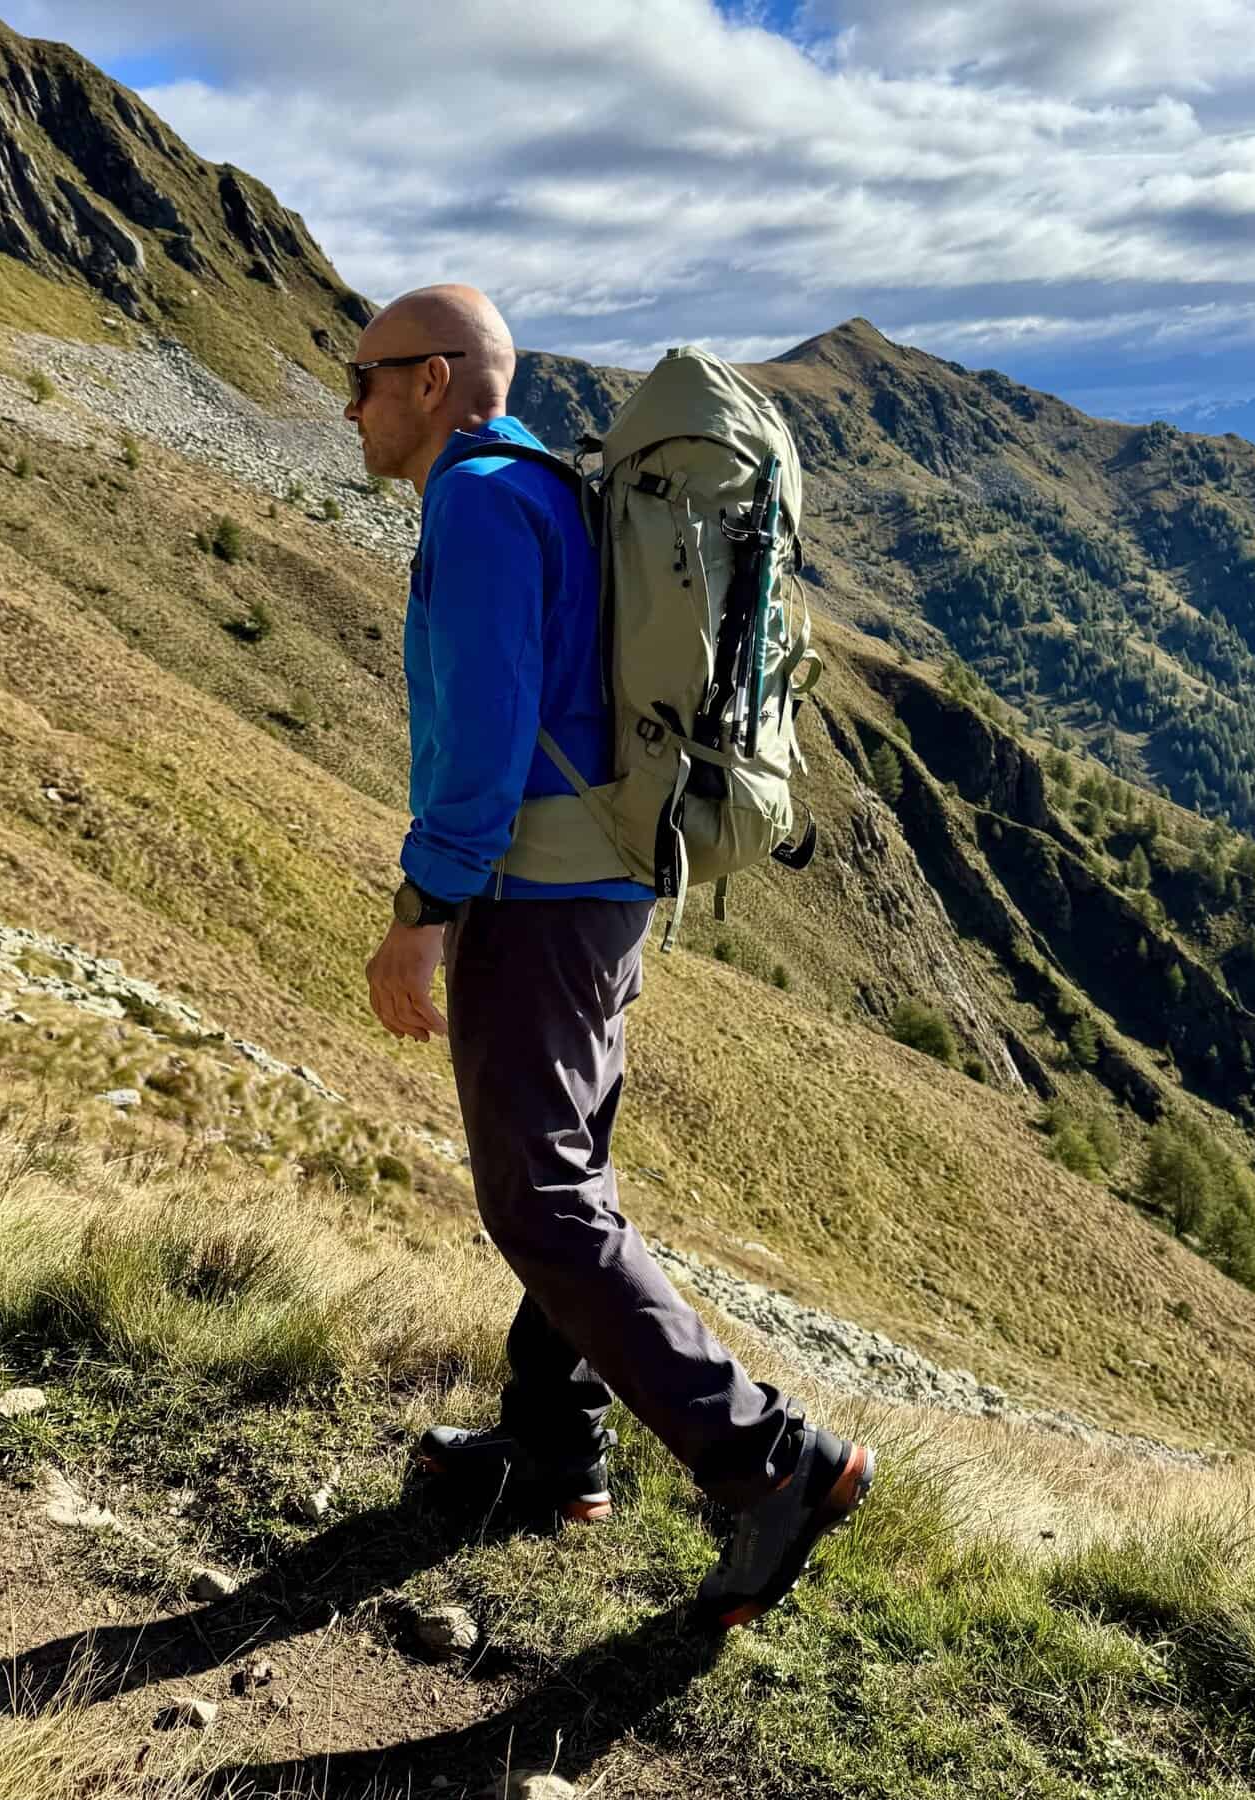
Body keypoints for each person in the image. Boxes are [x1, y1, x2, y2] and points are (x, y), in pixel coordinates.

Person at [349, 283, 875, 1630]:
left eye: (365, 378)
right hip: (607, 882)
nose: (350, 407)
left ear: (433, 379)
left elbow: (486, 727)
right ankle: (553, 1444)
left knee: (538, 1197)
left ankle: (771, 1461)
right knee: (567, 1169)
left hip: (537, 892)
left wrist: (425, 908)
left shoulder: (479, 501)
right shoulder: (545, 485)